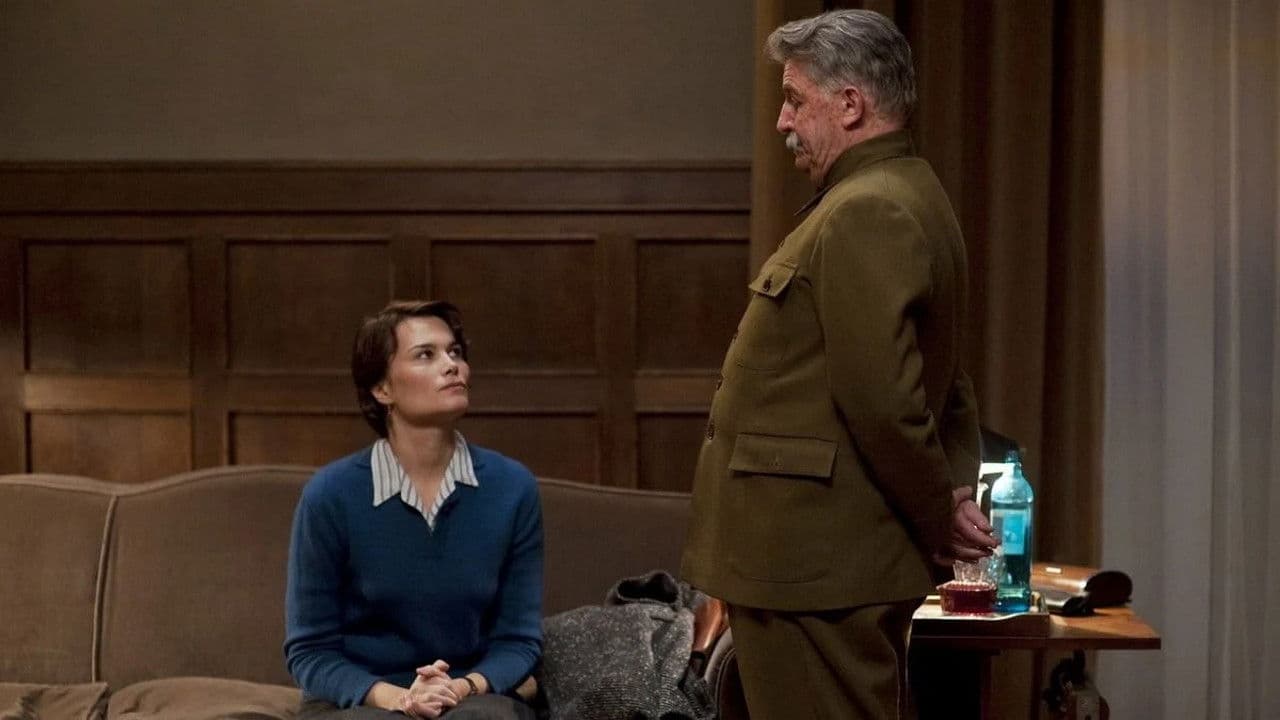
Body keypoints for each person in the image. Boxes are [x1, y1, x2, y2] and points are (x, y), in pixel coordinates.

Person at [679, 10, 996, 719]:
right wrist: (945, 494)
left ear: (850, 104)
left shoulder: (867, 209)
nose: (783, 122)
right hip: (817, 562)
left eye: (795, 99)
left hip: (815, 565)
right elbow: (947, 383)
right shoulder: (902, 193)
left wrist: (938, 511)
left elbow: (886, 400)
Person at [285, 300, 543, 720]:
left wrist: (460, 687)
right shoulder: (330, 495)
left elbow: (519, 640)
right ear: (382, 389)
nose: (451, 365)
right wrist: (399, 698)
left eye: (455, 352)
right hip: (363, 698)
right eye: (426, 354)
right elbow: (310, 651)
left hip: (470, 694)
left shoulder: (512, 487)